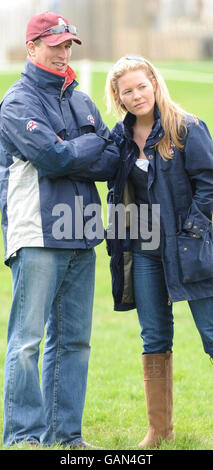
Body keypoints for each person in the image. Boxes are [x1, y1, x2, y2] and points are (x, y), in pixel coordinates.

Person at [0, 11, 119, 448]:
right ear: (31, 49)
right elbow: (52, 159)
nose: (63, 52)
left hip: (82, 234)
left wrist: (75, 150)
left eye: (68, 45)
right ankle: (23, 438)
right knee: (27, 343)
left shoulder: (82, 101)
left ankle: (66, 437)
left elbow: (112, 162)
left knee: (75, 344)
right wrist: (85, 148)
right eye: (54, 45)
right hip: (37, 237)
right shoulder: (17, 102)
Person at [105, 56, 213, 448]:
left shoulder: (187, 128)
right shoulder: (119, 139)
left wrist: (193, 231)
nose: (136, 96)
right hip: (145, 249)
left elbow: (209, 185)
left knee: (212, 334)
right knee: (153, 337)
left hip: (190, 246)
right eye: (126, 91)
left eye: (141, 86)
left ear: (155, 82)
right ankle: (159, 431)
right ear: (118, 98)